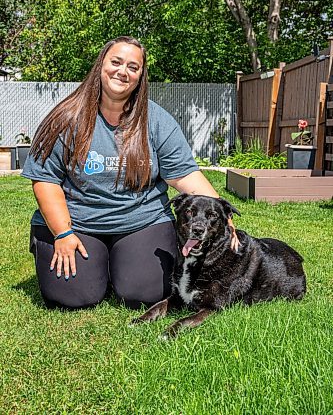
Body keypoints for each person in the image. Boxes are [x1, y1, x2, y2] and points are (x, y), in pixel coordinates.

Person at [22, 36, 238, 310]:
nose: (122, 71)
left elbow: (184, 175)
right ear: (101, 65)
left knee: (146, 293)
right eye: (116, 62)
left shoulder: (156, 120)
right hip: (77, 222)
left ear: (140, 77)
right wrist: (62, 233)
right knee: (72, 296)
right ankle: (94, 263)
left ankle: (119, 264)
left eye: (133, 67)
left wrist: (222, 213)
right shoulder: (65, 117)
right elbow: (45, 179)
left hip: (141, 221)